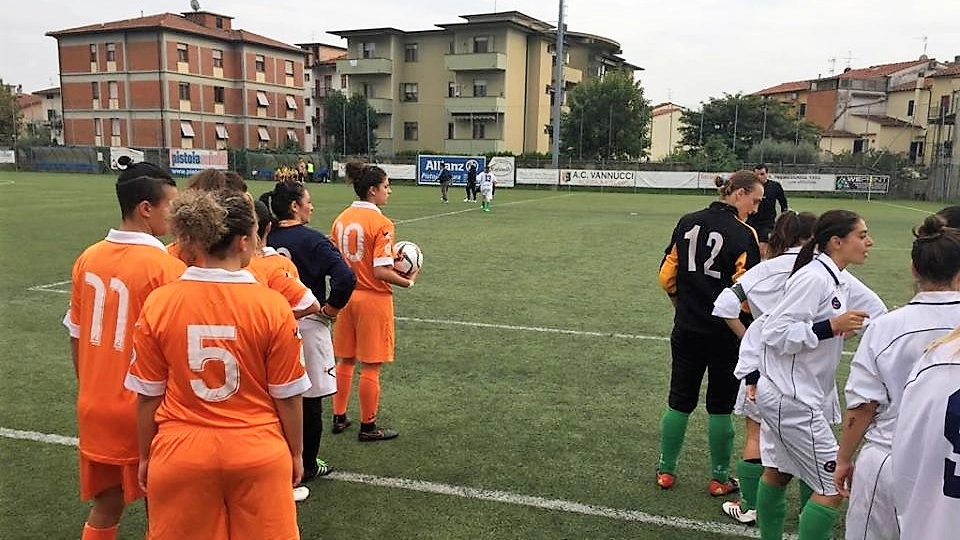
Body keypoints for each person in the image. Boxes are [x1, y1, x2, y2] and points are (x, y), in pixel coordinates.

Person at [125, 189, 308, 540]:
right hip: (257, 449)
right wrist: (296, 452)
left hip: (181, 451)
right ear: (242, 241)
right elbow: (287, 396)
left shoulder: (160, 302)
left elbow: (148, 395)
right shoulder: (272, 306)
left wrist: (146, 456)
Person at [63, 159, 186, 540]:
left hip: (94, 405)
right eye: (171, 205)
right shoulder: (163, 267)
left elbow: (76, 335)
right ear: (145, 208)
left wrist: (91, 384)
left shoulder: (88, 257)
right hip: (142, 410)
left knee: (106, 505)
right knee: (163, 508)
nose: (175, 215)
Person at [754, 210, 880, 540]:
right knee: (833, 487)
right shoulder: (814, 277)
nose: (869, 242)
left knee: (779, 472)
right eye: (862, 235)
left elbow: (812, 331)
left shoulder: (832, 277)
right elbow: (775, 332)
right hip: (792, 399)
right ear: (837, 242)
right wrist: (831, 327)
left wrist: (840, 329)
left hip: (791, 394)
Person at [836, 214, 960, 540]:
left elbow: (864, 406)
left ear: (914, 269)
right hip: (952, 460)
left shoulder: (887, 327)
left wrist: (844, 458)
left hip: (889, 456)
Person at [656, 170, 763, 494]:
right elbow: (748, 290)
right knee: (720, 405)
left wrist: (680, 305)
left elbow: (666, 275)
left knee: (679, 400)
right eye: (755, 200)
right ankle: (718, 478)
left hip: (686, 327)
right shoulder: (745, 234)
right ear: (739, 193)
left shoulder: (687, 221)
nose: (756, 208)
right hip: (724, 333)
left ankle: (666, 471)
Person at [711, 210, 817, 525]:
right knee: (811, 443)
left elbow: (724, 304)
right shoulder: (822, 271)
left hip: (764, 369)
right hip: (808, 369)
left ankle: (749, 506)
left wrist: (749, 338)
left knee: (756, 435)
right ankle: (808, 513)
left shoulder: (763, 270)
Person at [262, 179, 356, 479]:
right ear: (294, 206)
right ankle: (309, 464)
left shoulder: (262, 235)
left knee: (271, 393)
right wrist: (330, 309)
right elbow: (345, 277)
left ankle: (275, 458)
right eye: (308, 200)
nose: (312, 205)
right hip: (305, 323)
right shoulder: (313, 239)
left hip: (264, 323)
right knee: (309, 397)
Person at [331, 161, 419, 441]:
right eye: (386, 186)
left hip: (345, 297)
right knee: (371, 364)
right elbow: (380, 271)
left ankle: (339, 416)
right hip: (372, 299)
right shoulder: (381, 223)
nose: (389, 192)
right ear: (372, 190)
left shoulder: (341, 218)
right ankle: (368, 427)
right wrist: (407, 281)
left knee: (345, 359)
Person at [746, 164, 789, 259]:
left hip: (767, 223)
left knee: (762, 250)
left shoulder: (775, 186)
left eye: (762, 174)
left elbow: (783, 204)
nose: (759, 177)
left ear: (767, 174)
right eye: (756, 175)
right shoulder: (750, 187)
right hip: (751, 222)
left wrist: (784, 220)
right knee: (748, 249)